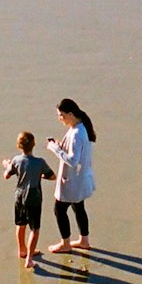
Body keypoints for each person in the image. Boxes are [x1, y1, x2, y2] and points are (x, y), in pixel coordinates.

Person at [46, 99, 96, 252]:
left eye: (61, 115)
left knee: (59, 210)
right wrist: (61, 145)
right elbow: (75, 152)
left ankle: (65, 244)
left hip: (73, 180)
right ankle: (84, 240)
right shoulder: (79, 127)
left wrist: (55, 148)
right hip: (80, 178)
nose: (60, 118)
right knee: (78, 207)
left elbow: (73, 161)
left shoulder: (76, 133)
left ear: (70, 114)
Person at [3, 132, 55, 269]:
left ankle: (22, 250)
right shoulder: (40, 162)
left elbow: (6, 175)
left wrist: (7, 165)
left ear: (19, 146)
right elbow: (52, 176)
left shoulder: (16, 160)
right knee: (35, 229)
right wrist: (41, 175)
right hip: (33, 197)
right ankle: (30, 259)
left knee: (20, 224)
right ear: (34, 145)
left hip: (19, 195)